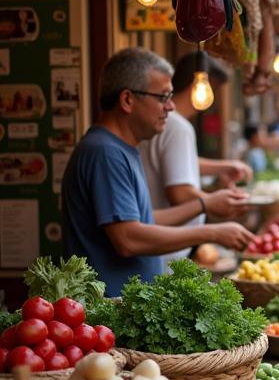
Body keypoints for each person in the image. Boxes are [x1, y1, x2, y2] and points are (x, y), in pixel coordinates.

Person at [61, 48, 253, 295]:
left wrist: (204, 206)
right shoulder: (105, 153)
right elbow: (128, 239)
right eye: (162, 97)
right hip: (108, 313)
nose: (171, 107)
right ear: (127, 100)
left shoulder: (123, 149)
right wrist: (212, 232)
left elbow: (142, 220)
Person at [140, 53, 252, 270]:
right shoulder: (177, 126)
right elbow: (180, 193)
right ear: (198, 84)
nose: (215, 99)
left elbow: (178, 164)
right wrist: (215, 202)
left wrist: (224, 167)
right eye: (214, 89)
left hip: (158, 244)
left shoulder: (167, 124)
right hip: (166, 248)